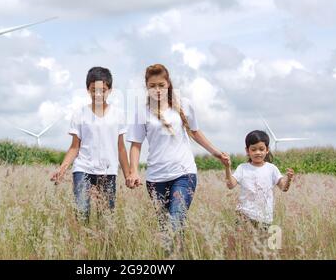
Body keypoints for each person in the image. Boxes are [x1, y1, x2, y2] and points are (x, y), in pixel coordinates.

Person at [127, 64, 229, 250]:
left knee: (175, 220)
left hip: (184, 173)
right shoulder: (141, 112)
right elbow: (136, 145)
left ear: (168, 84)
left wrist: (215, 153)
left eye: (161, 85)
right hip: (155, 178)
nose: (157, 90)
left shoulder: (184, 105)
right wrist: (133, 171)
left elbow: (195, 133)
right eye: (152, 86)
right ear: (146, 87)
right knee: (167, 227)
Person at [50, 66, 130, 222]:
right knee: (82, 212)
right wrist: (62, 169)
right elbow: (74, 147)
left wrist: (128, 175)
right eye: (94, 90)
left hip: (108, 171)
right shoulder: (80, 114)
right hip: (83, 169)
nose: (98, 94)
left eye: (103, 90)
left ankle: (102, 245)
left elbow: (121, 148)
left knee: (105, 218)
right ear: (88, 90)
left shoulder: (118, 115)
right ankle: (81, 242)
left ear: (110, 90)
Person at [223, 130, 294, 232]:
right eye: (253, 149)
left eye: (261, 149)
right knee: (242, 245)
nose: (258, 152)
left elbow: (284, 188)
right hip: (244, 215)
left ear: (267, 150)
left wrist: (289, 179)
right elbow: (230, 185)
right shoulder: (242, 168)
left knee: (262, 246)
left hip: (265, 217)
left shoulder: (272, 169)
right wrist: (227, 167)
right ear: (247, 150)